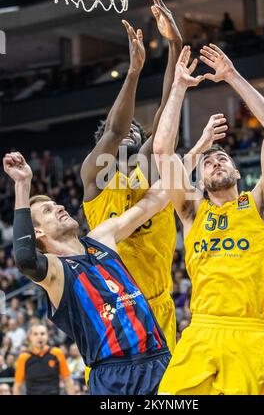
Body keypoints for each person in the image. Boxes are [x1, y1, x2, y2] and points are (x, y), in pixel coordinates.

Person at [153, 44, 264, 395]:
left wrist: (231, 76)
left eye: (223, 159)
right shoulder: (193, 211)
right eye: (208, 162)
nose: (215, 162)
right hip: (200, 330)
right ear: (199, 179)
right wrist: (179, 87)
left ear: (238, 172)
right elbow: (162, 152)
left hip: (248, 332)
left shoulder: (263, 203)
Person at [4, 151, 171, 395]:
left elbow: (152, 202)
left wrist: (193, 156)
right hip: (115, 376)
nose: (59, 207)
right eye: (48, 211)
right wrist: (22, 184)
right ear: (37, 232)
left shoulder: (101, 238)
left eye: (55, 204)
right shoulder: (55, 270)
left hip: (159, 361)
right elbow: (25, 257)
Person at [81, 0, 182, 355]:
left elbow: (168, 109)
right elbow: (115, 130)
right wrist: (135, 70)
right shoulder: (93, 177)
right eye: (128, 133)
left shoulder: (149, 167)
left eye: (139, 135)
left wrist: (175, 45)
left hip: (158, 305)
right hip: (114, 309)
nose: (132, 135)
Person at [13, 324, 75, 395]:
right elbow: (17, 386)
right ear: (30, 337)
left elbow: (67, 380)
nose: (39, 337)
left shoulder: (57, 353)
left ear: (47, 336)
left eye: (42, 334)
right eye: (35, 334)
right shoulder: (23, 358)